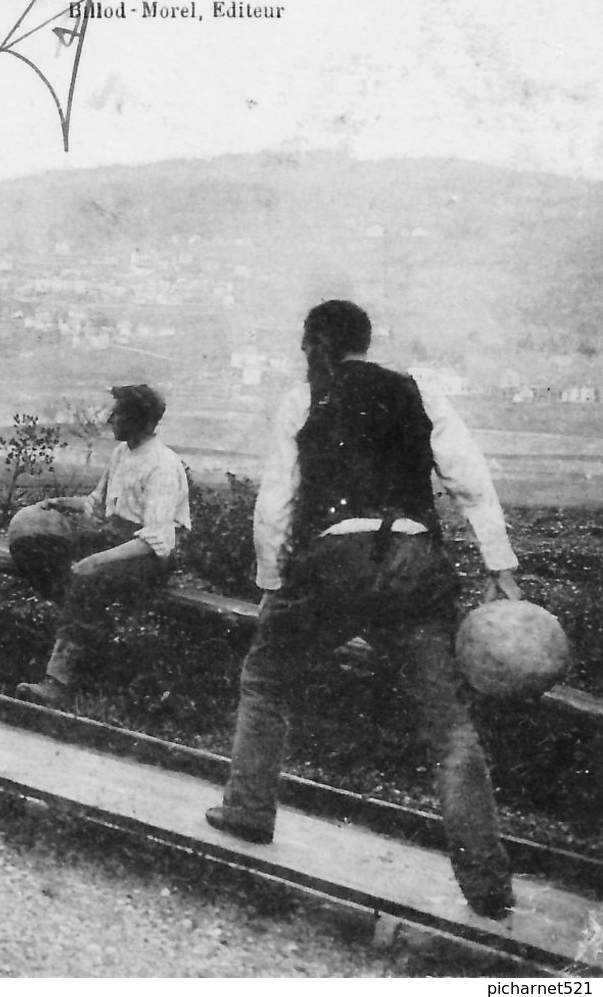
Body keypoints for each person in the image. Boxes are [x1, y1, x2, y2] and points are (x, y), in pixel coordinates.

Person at [205, 299, 520, 921]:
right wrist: (500, 565)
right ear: (365, 341)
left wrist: (272, 582)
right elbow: (469, 478)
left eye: (304, 341)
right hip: (410, 563)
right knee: (449, 727)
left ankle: (247, 811)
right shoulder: (419, 391)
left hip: (330, 565)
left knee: (266, 679)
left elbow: (276, 502)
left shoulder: (303, 400)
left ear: (316, 343)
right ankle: (487, 883)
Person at [8, 384, 190, 707]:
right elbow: (97, 503)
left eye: (118, 413)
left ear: (140, 420)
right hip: (117, 539)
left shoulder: (162, 465)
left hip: (147, 555)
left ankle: (58, 682)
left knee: (86, 578)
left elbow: (156, 540)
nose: (110, 419)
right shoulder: (122, 453)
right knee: (40, 548)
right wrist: (59, 503)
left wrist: (97, 561)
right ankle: (83, 647)